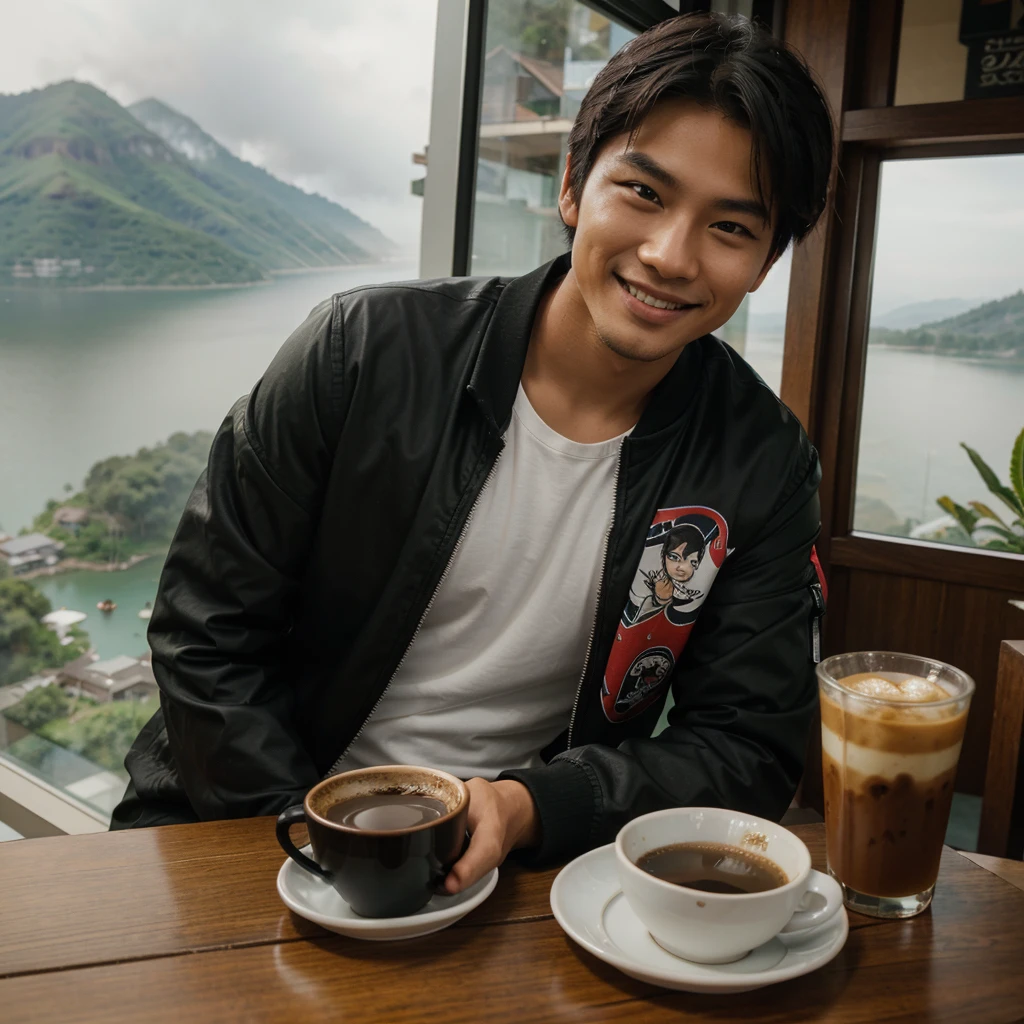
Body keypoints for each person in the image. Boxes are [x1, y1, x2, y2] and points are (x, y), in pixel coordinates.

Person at [111, 11, 834, 900]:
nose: (669, 255)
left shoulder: (762, 462)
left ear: (764, 264)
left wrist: (532, 806)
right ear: (574, 185)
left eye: (731, 228)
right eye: (643, 193)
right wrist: (325, 845)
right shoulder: (361, 351)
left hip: (520, 875)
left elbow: (745, 747)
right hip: (242, 827)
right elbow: (204, 628)